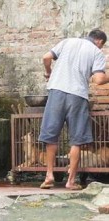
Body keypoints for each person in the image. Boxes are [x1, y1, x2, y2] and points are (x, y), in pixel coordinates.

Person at [39, 29, 109, 190]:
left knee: (51, 135)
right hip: (77, 96)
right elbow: (98, 80)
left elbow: (46, 57)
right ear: (99, 42)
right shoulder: (96, 52)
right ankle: (70, 181)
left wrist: (48, 72)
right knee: (76, 139)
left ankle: (49, 175)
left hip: (56, 91)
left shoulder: (67, 41)